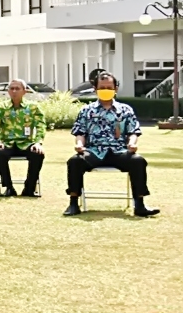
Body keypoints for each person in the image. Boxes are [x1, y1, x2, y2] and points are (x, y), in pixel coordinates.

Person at [64, 72, 159, 217]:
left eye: (109, 87)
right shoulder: (86, 111)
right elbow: (80, 132)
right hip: (94, 151)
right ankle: (73, 203)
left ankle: (140, 205)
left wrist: (132, 144)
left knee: (138, 161)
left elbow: (133, 131)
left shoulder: (125, 110)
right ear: (95, 89)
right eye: (102, 88)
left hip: (119, 151)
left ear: (116, 89)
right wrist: (79, 145)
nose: (106, 90)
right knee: (75, 161)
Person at [0, 78, 46, 198]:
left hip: (26, 143)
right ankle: (8, 187)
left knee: (38, 154)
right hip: (7, 143)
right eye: (12, 88)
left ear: (24, 91)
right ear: (8, 91)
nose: (14, 91)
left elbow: (41, 125)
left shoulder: (33, 107)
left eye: (17, 88)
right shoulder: (1, 107)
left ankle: (30, 188)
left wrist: (38, 142)